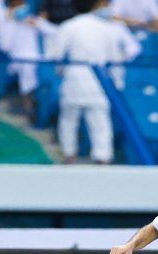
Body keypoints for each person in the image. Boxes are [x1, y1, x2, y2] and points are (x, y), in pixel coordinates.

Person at [47, 0, 140, 164]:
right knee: (100, 123)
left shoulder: (69, 26)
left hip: (74, 81)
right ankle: (102, 158)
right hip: (100, 83)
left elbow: (54, 55)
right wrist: (116, 84)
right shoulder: (107, 28)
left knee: (69, 121)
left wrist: (60, 70)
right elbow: (115, 59)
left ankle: (70, 156)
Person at [0, 0, 58, 116]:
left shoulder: (34, 20)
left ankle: (40, 110)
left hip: (41, 61)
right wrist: (10, 23)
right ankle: (29, 107)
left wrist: (38, 24)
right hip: (20, 60)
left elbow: (56, 32)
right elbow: (4, 45)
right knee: (26, 76)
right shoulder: (5, 20)